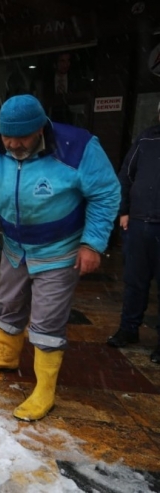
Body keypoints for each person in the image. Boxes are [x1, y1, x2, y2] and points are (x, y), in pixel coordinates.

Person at [0, 94, 120, 421]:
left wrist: (92, 244)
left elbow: (106, 193)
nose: (12, 144)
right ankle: (7, 356)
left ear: (40, 129)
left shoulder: (77, 146)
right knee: (8, 300)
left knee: (47, 317)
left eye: (21, 137)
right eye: (7, 136)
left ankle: (44, 390)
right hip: (14, 246)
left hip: (60, 248)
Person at [108, 101, 160, 364]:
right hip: (139, 224)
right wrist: (124, 210)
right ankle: (128, 329)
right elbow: (126, 175)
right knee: (134, 282)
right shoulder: (147, 138)